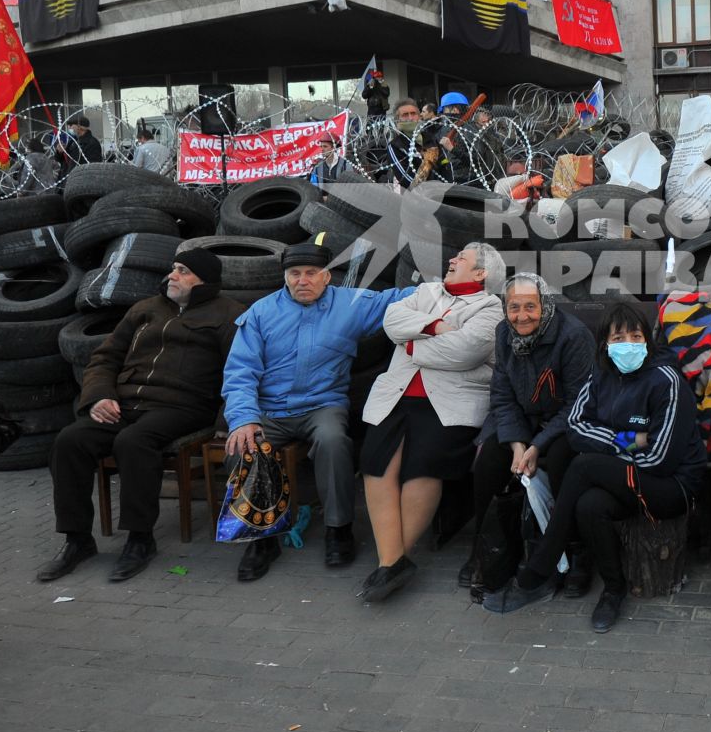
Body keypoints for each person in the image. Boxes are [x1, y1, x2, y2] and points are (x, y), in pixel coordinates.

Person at [484, 302, 702, 632]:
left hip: (672, 485)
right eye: (618, 338)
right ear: (604, 344)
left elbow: (660, 458)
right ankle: (614, 589)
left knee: (585, 466)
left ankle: (543, 564)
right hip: (625, 475)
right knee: (589, 504)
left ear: (647, 341)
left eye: (635, 335)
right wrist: (631, 439)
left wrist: (610, 454)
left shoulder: (666, 381)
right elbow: (575, 426)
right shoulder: (600, 372)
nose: (627, 344)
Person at [36, 250, 245, 584]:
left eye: (183, 271)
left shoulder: (229, 314)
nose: (172, 275)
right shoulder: (145, 309)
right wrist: (99, 396)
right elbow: (105, 357)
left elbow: (240, 371)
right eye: (173, 268)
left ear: (205, 280)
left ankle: (140, 538)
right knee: (70, 441)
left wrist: (226, 421)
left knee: (134, 442)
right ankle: (77, 540)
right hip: (126, 402)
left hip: (183, 406)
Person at [220, 240, 414, 581]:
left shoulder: (351, 304)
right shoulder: (261, 313)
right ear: (285, 277)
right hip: (270, 409)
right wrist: (244, 419)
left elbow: (401, 298)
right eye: (294, 274)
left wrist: (453, 286)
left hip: (322, 405)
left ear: (327, 277)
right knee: (244, 445)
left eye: (311, 273)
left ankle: (338, 529)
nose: (302, 280)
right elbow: (239, 372)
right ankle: (262, 537)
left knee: (333, 440)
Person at [357, 243, 505, 602]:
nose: (452, 260)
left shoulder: (491, 307)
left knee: (422, 467)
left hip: (450, 402)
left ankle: (391, 562)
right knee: (376, 464)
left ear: (481, 273)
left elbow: (466, 351)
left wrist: (411, 343)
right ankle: (393, 562)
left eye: (462, 259)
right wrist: (440, 325)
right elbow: (392, 321)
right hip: (396, 394)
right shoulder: (426, 292)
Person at [462, 273, 594, 597]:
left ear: (545, 305)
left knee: (565, 460)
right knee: (488, 463)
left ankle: (577, 553)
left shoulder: (572, 336)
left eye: (530, 307)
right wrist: (517, 444)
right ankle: (486, 547)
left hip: (566, 419)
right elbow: (503, 397)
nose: (522, 316)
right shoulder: (503, 333)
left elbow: (580, 402)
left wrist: (537, 445)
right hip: (521, 419)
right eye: (514, 307)